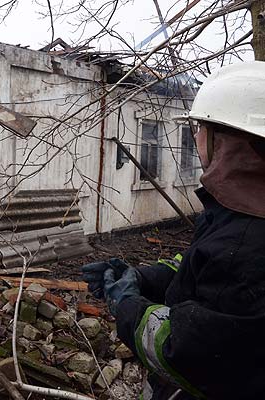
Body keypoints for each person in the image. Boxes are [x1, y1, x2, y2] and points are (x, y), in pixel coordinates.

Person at [82, 61, 265, 400]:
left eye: (200, 127)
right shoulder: (235, 213)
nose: (194, 136)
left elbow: (183, 351)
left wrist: (125, 305)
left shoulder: (246, 243)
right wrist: (139, 277)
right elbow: (195, 266)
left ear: (226, 140)